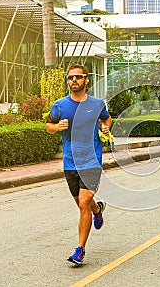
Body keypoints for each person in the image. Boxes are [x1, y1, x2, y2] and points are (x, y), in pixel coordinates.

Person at [45, 63, 112, 265]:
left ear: (86, 79)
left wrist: (105, 128)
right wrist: (56, 127)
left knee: (83, 203)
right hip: (70, 163)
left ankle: (80, 250)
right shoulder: (60, 105)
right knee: (82, 204)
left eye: (78, 77)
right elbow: (48, 126)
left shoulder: (97, 104)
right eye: (70, 78)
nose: (74, 80)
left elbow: (107, 120)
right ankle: (97, 211)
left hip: (91, 161)